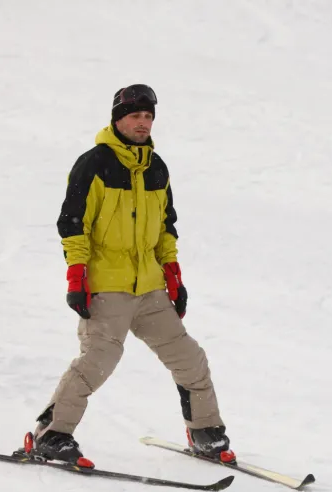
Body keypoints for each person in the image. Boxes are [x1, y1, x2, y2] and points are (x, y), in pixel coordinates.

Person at [26, 84, 233, 466]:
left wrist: (173, 276)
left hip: (150, 288)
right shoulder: (94, 163)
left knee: (190, 358)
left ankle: (204, 431)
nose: (143, 122)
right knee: (97, 362)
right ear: (118, 119)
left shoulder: (157, 167)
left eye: (149, 116)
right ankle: (51, 434)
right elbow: (73, 223)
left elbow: (166, 227)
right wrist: (77, 278)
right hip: (107, 286)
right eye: (136, 115)